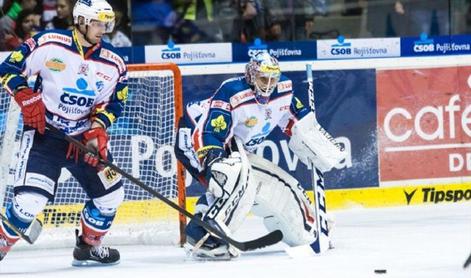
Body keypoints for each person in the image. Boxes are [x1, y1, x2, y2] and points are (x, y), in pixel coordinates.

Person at [175, 52, 344, 260]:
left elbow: (298, 122)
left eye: (273, 79)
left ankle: (307, 228)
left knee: (281, 186)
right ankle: (207, 234)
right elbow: (210, 133)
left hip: (232, 144)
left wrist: (317, 144)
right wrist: (213, 160)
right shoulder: (232, 91)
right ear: (251, 76)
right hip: (193, 138)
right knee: (233, 176)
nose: (269, 84)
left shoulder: (283, 90)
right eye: (264, 79)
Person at [0, 0, 128, 266]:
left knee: (112, 196)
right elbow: (8, 68)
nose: (103, 28)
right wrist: (24, 95)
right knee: (29, 202)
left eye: (106, 23)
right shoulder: (49, 42)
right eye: (97, 22)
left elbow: (114, 102)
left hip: (83, 140)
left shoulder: (113, 62)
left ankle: (88, 246)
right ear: (81, 20)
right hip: (44, 135)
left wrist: (98, 129)